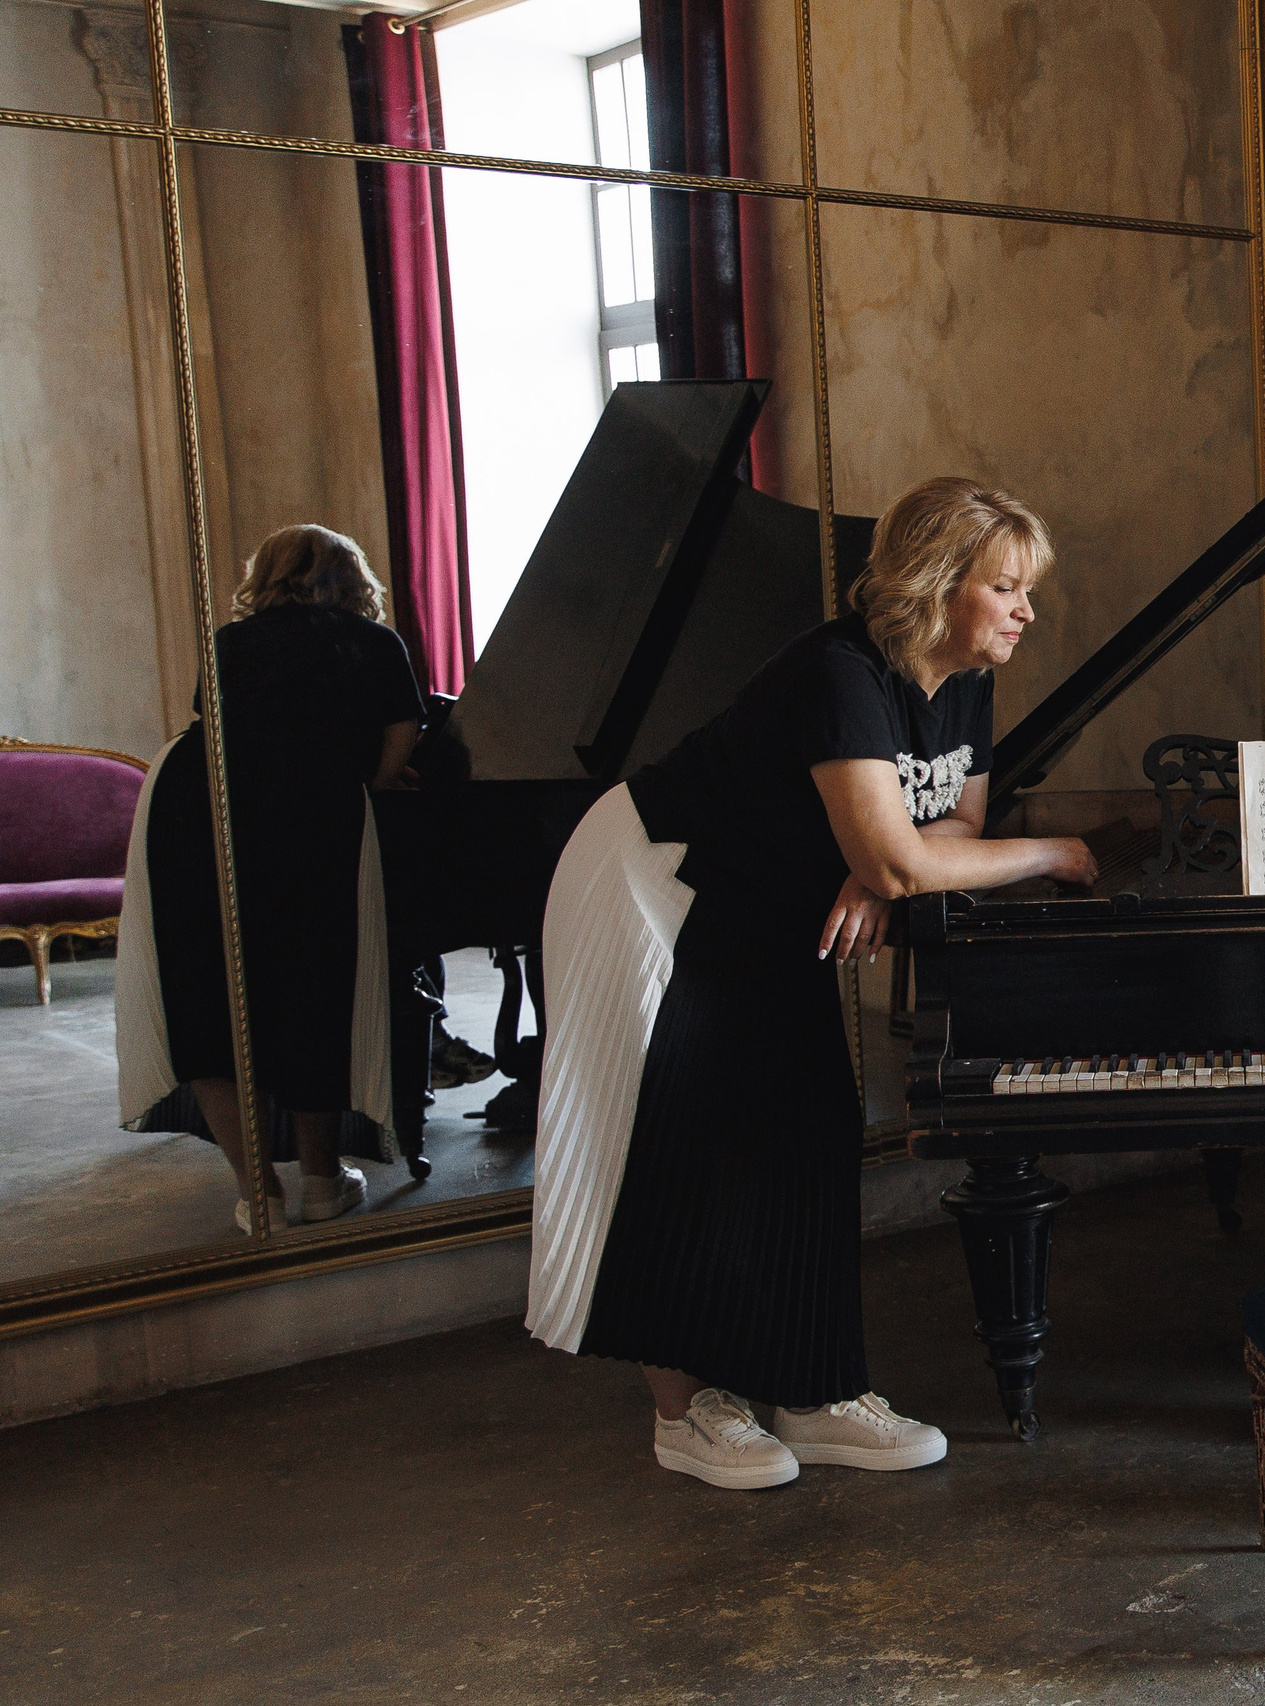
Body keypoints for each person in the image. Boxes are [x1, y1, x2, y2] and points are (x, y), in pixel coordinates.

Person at [527, 476, 1097, 1491]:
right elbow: (913, 856)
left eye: (1027, 589)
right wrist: (1044, 850)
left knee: (810, 1119)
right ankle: (685, 1411)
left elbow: (950, 828)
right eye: (1005, 587)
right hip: (654, 884)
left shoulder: (967, 678)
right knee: (677, 1132)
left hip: (766, 900)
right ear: (935, 584)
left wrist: (874, 868)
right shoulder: (841, 672)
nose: (1026, 611)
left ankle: (814, 1387)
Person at [115, 524, 424, 1231]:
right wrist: (366, 790)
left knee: (206, 997)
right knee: (312, 988)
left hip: (196, 809)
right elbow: (399, 738)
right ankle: (321, 1182)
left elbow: (213, 724)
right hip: (313, 816)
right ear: (351, 576)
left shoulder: (230, 640)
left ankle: (258, 1194)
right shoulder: (372, 643)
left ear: (267, 573)